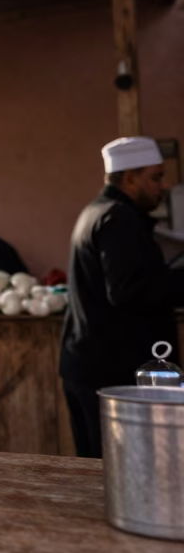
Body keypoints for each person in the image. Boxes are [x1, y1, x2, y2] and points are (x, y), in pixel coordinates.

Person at [60, 137, 184, 457]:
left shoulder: (99, 212)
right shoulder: (117, 218)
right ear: (129, 178)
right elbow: (129, 291)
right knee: (115, 475)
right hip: (109, 376)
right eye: (155, 177)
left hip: (94, 369)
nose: (164, 185)